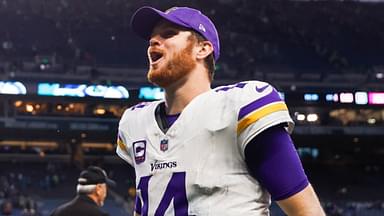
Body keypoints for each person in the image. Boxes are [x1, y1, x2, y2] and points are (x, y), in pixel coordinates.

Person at [116, 6, 325, 216]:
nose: (153, 41)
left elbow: (307, 212)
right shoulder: (135, 122)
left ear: (203, 49)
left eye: (169, 34)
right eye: (151, 37)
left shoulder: (239, 106)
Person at [50, 166, 115, 216]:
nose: (105, 193)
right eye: (105, 187)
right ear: (98, 188)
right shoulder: (99, 214)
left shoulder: (57, 212)